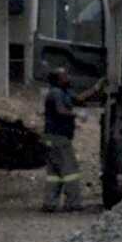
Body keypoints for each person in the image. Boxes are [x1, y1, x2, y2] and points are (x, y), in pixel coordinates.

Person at [41, 67, 87, 213]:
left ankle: (50, 203)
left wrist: (97, 87)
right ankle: (73, 204)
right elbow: (60, 111)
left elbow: (79, 99)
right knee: (70, 171)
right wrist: (77, 114)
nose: (68, 78)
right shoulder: (55, 93)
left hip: (53, 138)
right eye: (64, 76)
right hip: (58, 138)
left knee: (55, 173)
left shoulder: (64, 92)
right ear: (57, 80)